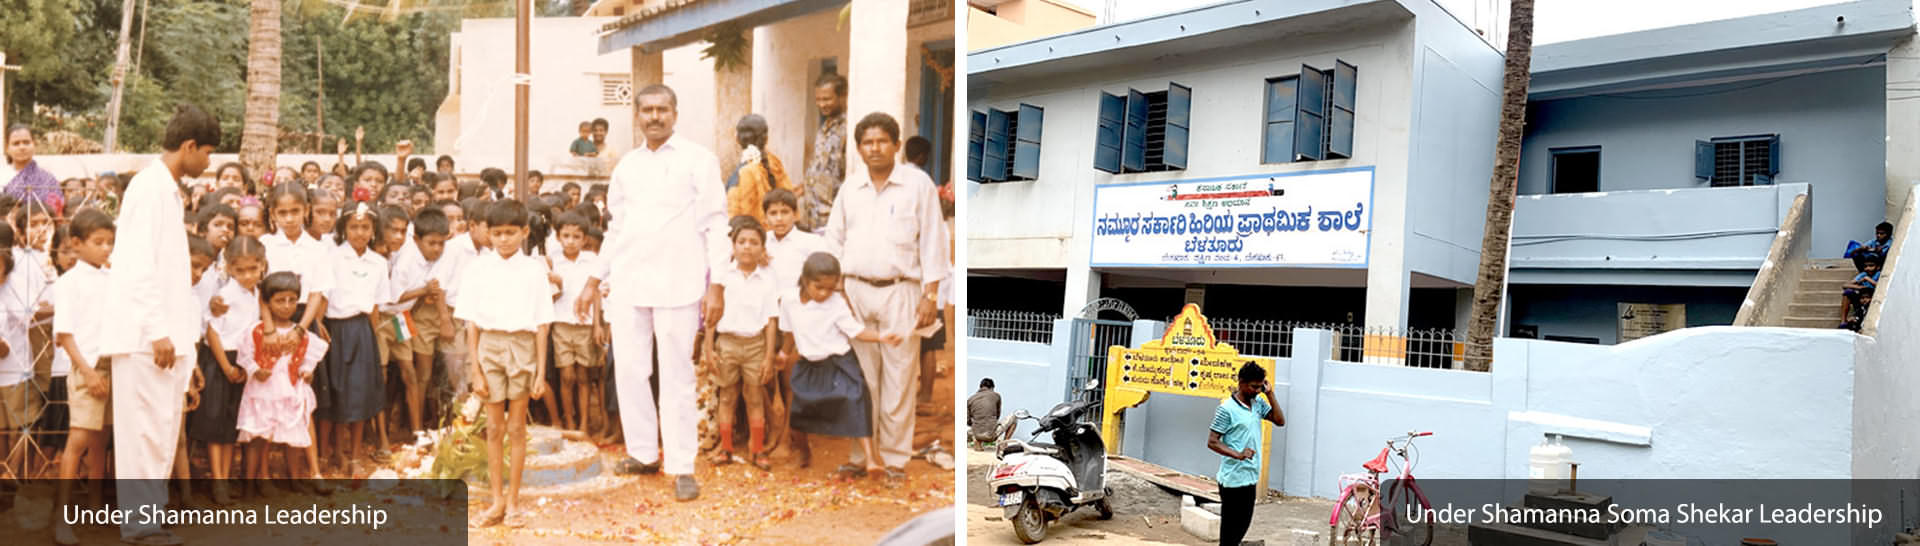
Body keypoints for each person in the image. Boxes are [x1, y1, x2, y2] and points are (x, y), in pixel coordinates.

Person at [573, 84, 725, 501]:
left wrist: (718, 285)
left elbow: (716, 225)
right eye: (647, 111)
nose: (655, 117)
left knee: (676, 376)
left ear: (675, 113)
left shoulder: (699, 160)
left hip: (680, 283)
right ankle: (643, 453)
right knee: (629, 370)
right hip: (629, 283)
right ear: (637, 116)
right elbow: (616, 229)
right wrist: (592, 280)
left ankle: (681, 465)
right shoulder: (627, 167)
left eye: (662, 109)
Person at [105, 104, 217, 546]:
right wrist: (157, 331)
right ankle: (140, 525)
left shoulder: (167, 190)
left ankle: (149, 520)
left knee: (161, 433)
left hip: (166, 336)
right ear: (188, 147)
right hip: (146, 339)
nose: (208, 162)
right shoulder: (148, 190)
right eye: (206, 152)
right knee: (145, 435)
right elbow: (136, 267)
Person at [821, 112, 949, 482]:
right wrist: (837, 291)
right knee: (862, 380)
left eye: (882, 141)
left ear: (896, 144)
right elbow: (834, 240)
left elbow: (933, 241)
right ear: (859, 148)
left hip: (902, 292)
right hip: (855, 291)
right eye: (867, 142)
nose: (874, 148)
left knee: (898, 379)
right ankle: (862, 457)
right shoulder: (851, 187)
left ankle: (893, 460)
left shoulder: (917, 185)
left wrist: (930, 295)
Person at [457, 198, 554, 528]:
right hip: (491, 347)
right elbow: (471, 323)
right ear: (488, 232)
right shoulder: (478, 269)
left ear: (525, 232)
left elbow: (543, 324)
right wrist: (476, 369)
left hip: (523, 348)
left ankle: (513, 501)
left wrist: (541, 372)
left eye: (511, 233)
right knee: (494, 428)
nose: (503, 240)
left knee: (517, 428)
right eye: (497, 233)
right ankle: (495, 500)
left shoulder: (534, 270)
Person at [774, 252, 901, 475]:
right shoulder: (789, 300)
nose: (825, 293)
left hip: (839, 363)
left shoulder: (836, 303)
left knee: (858, 400)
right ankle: (804, 453)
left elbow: (856, 331)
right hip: (809, 365)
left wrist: (882, 337)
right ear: (805, 280)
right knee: (797, 415)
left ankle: (871, 460)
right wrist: (784, 354)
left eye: (831, 288)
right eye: (819, 287)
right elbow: (789, 331)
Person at [235, 272, 331, 493]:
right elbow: (245, 355)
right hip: (263, 391)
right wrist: (254, 370)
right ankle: (251, 481)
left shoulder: (301, 334)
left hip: (291, 389)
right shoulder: (258, 330)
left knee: (293, 429)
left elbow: (309, 359)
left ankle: (295, 477)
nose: (287, 306)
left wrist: (307, 372)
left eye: (292, 300)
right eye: (280, 300)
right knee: (258, 434)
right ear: (267, 302)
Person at [50, 210, 113, 545]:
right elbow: (65, 334)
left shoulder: (111, 278)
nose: (106, 249)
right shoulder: (68, 283)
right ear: (76, 244)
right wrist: (88, 373)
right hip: (88, 367)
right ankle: (62, 520)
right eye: (98, 242)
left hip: (114, 363)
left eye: (110, 243)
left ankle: (95, 506)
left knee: (102, 439)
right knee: (78, 441)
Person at [319, 202, 389, 476]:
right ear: (344, 229)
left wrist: (372, 341)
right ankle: (329, 453)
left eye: (365, 227)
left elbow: (375, 307)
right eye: (354, 227)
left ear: (373, 231)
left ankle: (354, 455)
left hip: (361, 331)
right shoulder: (332, 257)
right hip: (334, 329)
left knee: (359, 393)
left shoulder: (378, 263)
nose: (359, 233)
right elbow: (323, 295)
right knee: (333, 392)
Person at [703, 216, 779, 469]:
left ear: (762, 248)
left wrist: (768, 356)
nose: (747, 247)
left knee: (754, 396)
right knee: (727, 396)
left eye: (754, 242)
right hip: (727, 344)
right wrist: (709, 348)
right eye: (742, 241)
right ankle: (725, 448)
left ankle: (756, 450)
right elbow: (711, 316)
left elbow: (770, 321)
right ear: (733, 246)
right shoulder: (722, 277)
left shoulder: (768, 279)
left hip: (755, 345)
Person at [1207, 363, 1285, 546]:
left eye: (1260, 386)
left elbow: (1280, 421)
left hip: (1249, 476)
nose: (1257, 390)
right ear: (1241, 383)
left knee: (1242, 527)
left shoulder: (1257, 404)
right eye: (1254, 386)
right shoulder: (1226, 409)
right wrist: (1238, 455)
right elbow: (1212, 441)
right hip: (1232, 479)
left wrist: (1270, 394)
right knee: (1230, 532)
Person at [388, 207, 450, 436]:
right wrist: (423, 291)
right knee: (405, 373)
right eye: (432, 243)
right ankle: (407, 427)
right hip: (392, 318)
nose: (437, 249)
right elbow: (394, 298)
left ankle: (418, 427)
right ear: (417, 240)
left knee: (416, 373)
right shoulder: (407, 262)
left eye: (441, 244)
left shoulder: (435, 258)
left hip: (409, 316)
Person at [549, 212, 599, 432]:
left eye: (576, 236)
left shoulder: (593, 261)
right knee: (566, 375)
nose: (570, 241)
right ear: (558, 237)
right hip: (561, 324)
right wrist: (557, 285)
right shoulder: (552, 260)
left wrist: (598, 324)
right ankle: (569, 421)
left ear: (584, 239)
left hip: (585, 325)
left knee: (583, 376)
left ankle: (584, 423)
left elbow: (596, 294)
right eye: (566, 236)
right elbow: (549, 296)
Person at [726, 114, 796, 228]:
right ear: (766, 139)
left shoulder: (745, 172)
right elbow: (791, 201)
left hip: (753, 237)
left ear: (737, 139)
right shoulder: (774, 162)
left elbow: (734, 214)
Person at [801, 74, 848, 232]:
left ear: (843, 96)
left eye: (827, 99)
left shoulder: (848, 127)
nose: (821, 104)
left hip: (833, 214)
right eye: (818, 99)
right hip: (814, 213)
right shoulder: (825, 127)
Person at [3, 125, 67, 218]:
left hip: (41, 227)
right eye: (16, 143)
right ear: (7, 148)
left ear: (34, 145)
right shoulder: (2, 176)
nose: (22, 147)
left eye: (26, 142)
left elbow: (56, 211)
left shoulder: (48, 179)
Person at [1840, 257, 1881, 327]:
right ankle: (1843, 321)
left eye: (1871, 266)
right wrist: (1860, 287)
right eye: (1865, 266)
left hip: (1872, 297)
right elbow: (1845, 285)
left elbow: (1880, 286)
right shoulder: (1863, 274)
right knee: (1847, 292)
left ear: (1877, 267)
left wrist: (1868, 279)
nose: (1868, 268)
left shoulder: (1879, 274)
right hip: (1862, 297)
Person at [966, 378, 1000, 448]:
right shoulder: (996, 396)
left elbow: (967, 421)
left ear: (980, 387)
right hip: (991, 435)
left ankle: (977, 442)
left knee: (975, 425)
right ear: (992, 387)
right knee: (1014, 418)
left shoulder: (970, 399)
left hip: (976, 434)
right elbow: (997, 415)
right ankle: (1004, 444)